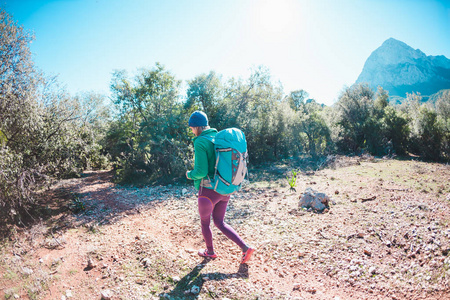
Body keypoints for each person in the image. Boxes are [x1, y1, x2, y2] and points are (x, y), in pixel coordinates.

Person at [186, 111, 254, 264]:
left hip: (208, 191)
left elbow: (201, 171)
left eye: (191, 128)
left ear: (196, 127)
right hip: (224, 188)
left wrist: (189, 174)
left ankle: (210, 252)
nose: (191, 131)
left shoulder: (200, 141)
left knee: (205, 222)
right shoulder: (217, 138)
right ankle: (245, 248)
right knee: (220, 222)